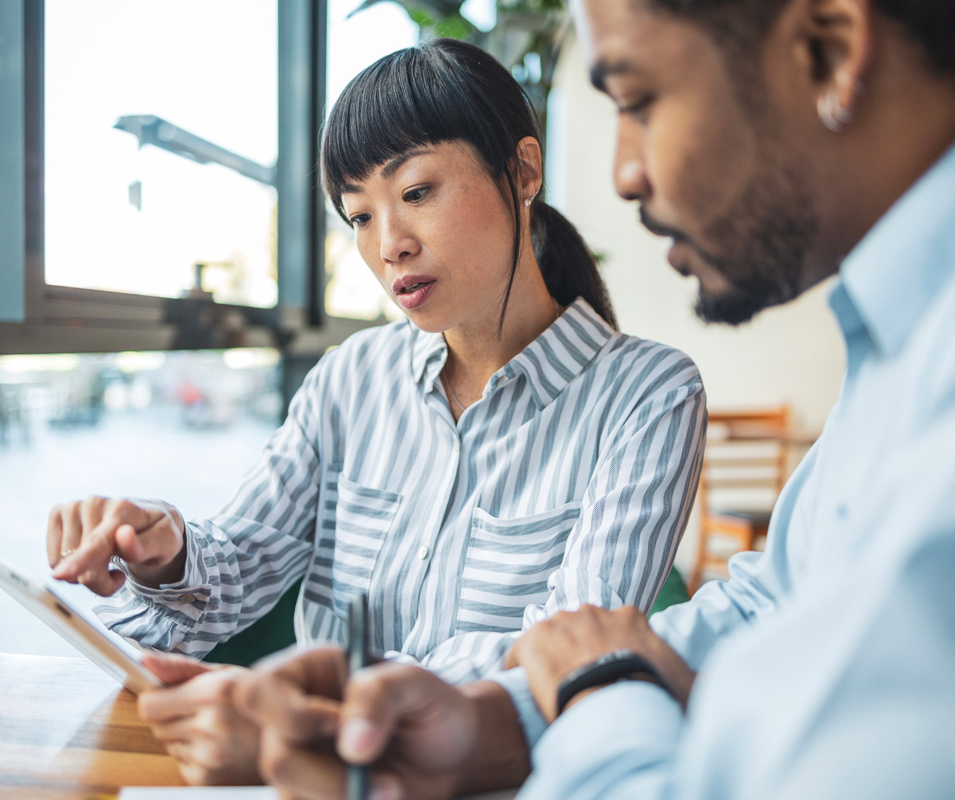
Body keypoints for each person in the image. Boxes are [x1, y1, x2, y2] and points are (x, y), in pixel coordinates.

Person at [152, 0, 955, 797]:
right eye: (358, 214)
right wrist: (489, 726)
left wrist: (596, 689)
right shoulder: (921, 328)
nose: (622, 173)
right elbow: (770, 601)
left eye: (639, 100)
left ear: (827, 49)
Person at [49, 39, 703, 708]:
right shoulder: (352, 377)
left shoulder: (649, 397)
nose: (389, 244)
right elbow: (240, 562)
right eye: (359, 215)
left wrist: (344, 697)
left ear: (523, 172)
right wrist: (166, 551)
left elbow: (569, 654)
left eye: (416, 191)